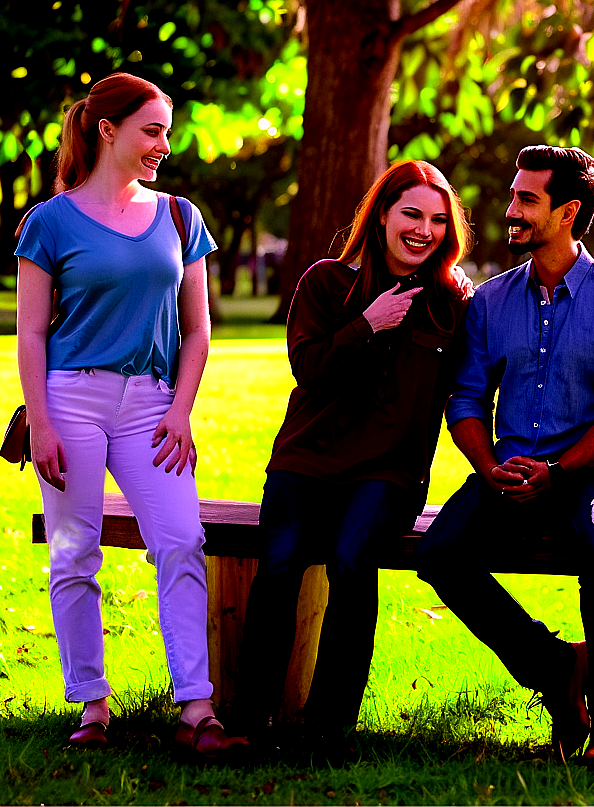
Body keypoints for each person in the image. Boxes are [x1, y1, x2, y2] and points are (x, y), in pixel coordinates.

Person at [16, 72, 248, 757]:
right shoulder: (49, 222)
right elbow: (30, 333)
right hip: (71, 400)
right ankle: (92, 705)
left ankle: (197, 710)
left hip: (152, 405)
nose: (162, 146)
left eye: (166, 133)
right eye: (151, 131)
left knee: (180, 539)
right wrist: (44, 423)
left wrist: (181, 411)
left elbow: (199, 329)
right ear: (106, 130)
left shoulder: (181, 217)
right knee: (76, 556)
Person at [416, 145, 594, 768]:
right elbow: (466, 399)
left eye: (528, 199)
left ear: (568, 212)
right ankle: (556, 668)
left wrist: (560, 471)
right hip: (510, 472)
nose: (511, 210)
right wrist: (488, 467)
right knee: (439, 553)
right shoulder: (491, 303)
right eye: (514, 195)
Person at [238, 160, 473, 758]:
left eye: (438, 220)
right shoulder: (325, 283)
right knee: (282, 563)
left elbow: (472, 383)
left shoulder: (452, 302)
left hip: (388, 470)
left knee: (349, 561)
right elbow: (310, 370)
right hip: (308, 458)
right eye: (412, 215)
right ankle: (248, 717)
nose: (424, 230)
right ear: (383, 215)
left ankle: (327, 724)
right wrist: (366, 325)